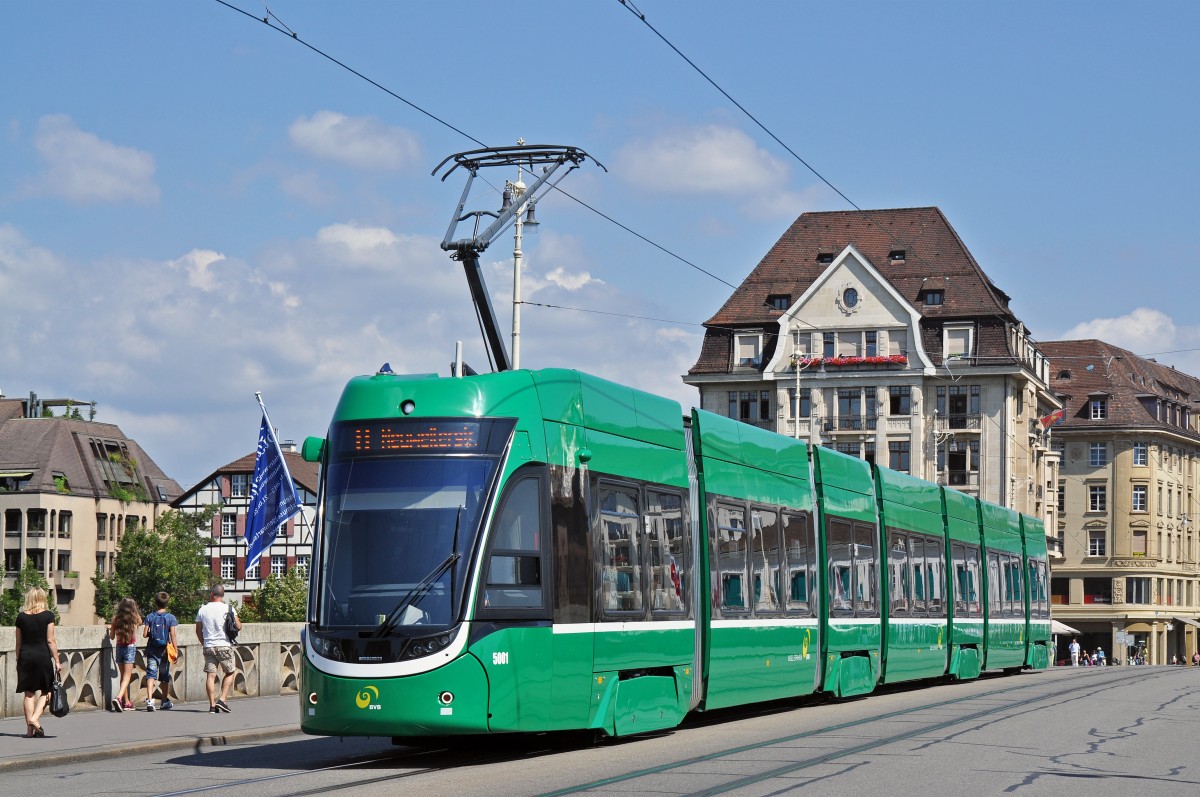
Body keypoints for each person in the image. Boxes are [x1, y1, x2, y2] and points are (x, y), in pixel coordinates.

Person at [14, 587, 61, 738]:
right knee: (47, 691)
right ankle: (35, 719)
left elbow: (18, 643)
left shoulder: (21, 617)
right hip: (42, 657)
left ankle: (29, 731)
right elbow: (50, 640)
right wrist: (57, 660)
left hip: (25, 657)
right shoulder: (48, 615)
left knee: (28, 693)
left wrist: (18, 660)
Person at [195, 584, 241, 713]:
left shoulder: (202, 609)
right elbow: (238, 626)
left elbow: (198, 630)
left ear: (211, 594)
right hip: (224, 645)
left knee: (211, 676)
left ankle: (212, 705)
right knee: (230, 671)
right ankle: (222, 699)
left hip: (209, 646)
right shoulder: (229, 608)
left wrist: (204, 642)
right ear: (223, 595)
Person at [143, 591, 179, 711]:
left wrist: (151, 633)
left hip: (152, 649)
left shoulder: (150, 617)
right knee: (164, 675)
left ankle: (150, 700)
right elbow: (173, 635)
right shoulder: (171, 618)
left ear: (155, 602)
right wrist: (175, 650)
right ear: (167, 603)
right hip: (165, 650)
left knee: (151, 674)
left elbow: (144, 634)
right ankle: (164, 701)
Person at [108, 597, 142, 712]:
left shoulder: (115, 619)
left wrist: (110, 629)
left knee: (123, 676)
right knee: (127, 677)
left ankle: (126, 702)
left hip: (119, 648)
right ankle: (118, 698)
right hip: (129, 648)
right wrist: (135, 611)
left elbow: (112, 637)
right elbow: (140, 621)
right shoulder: (134, 619)